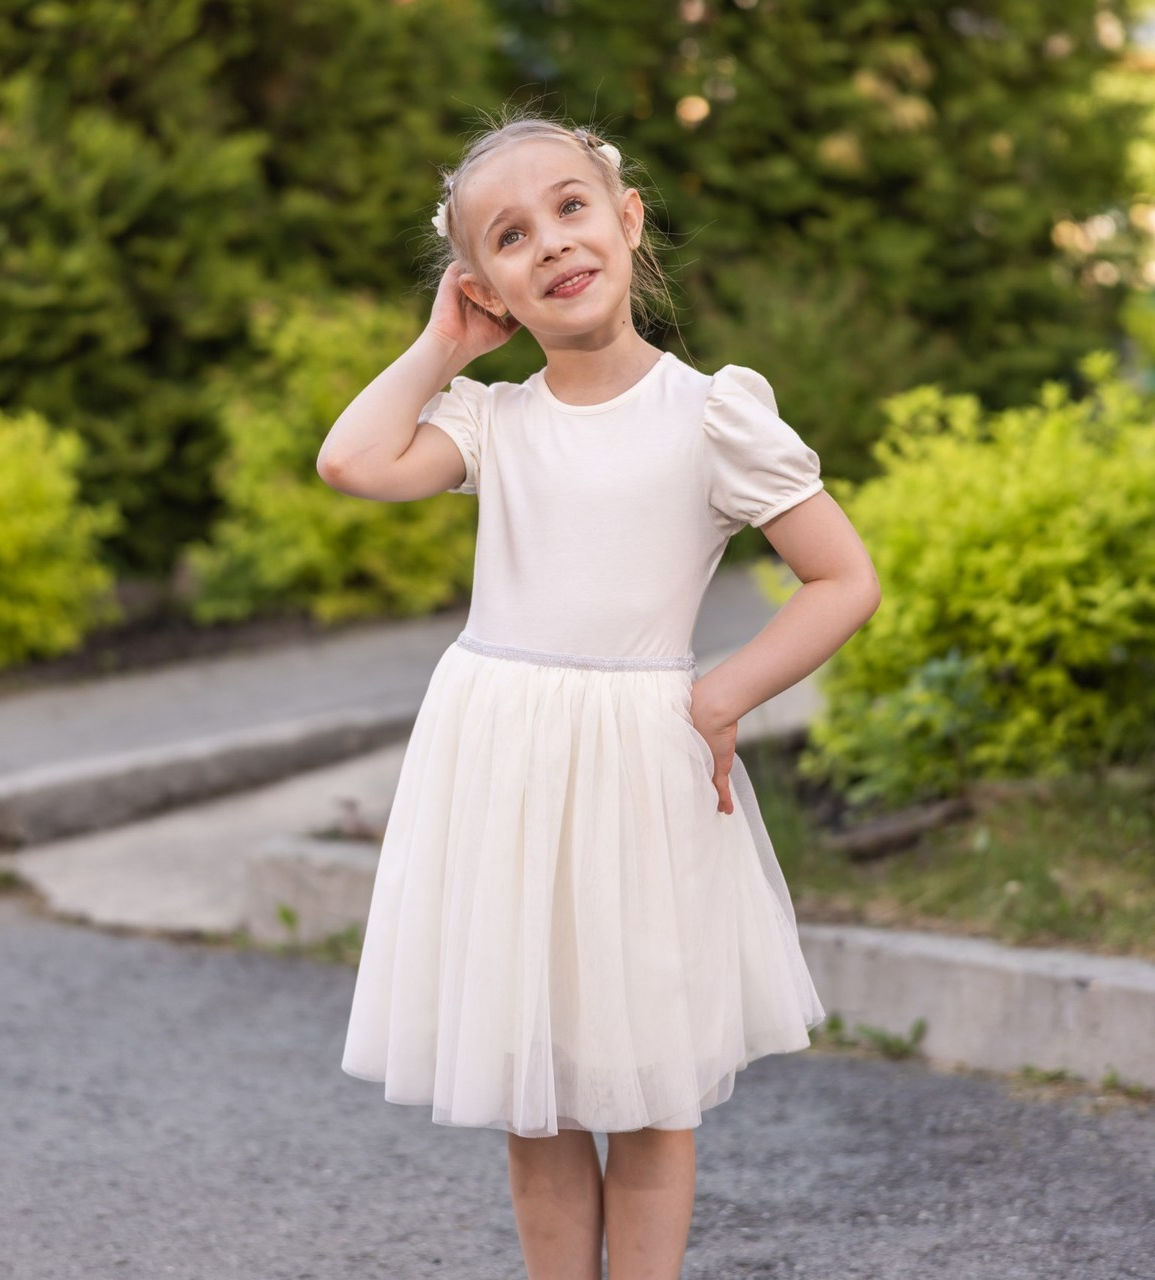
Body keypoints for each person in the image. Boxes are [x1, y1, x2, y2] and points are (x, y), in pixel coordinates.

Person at [317, 113, 880, 1280]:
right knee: (538, 1092)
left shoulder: (712, 415)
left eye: (571, 207)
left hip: (637, 767)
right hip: (503, 771)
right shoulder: (489, 419)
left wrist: (721, 693)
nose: (553, 243)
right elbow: (352, 462)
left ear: (625, 222)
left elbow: (841, 577)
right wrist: (438, 350)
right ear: (487, 287)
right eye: (511, 237)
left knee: (647, 1087)